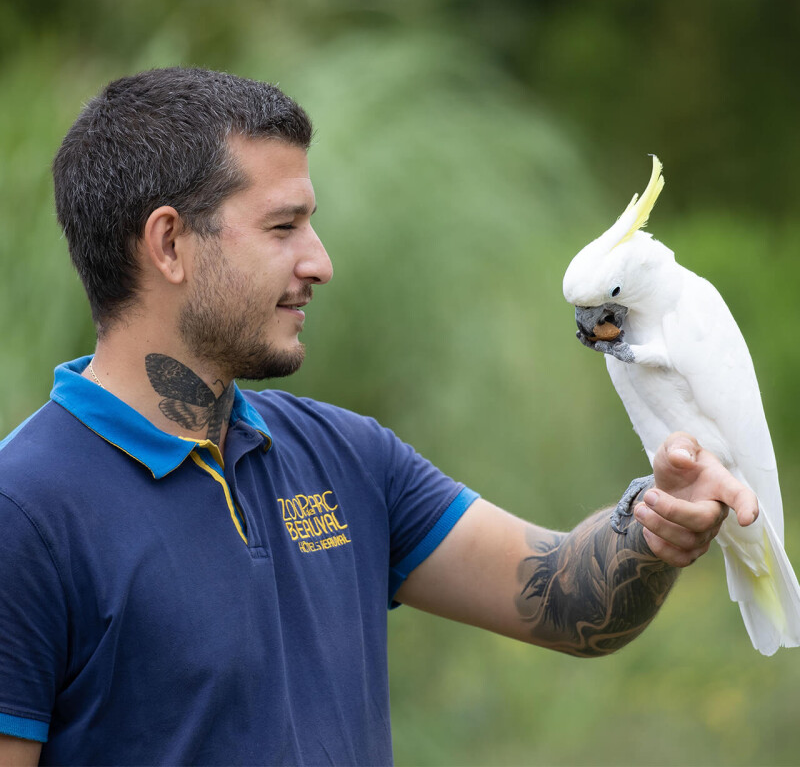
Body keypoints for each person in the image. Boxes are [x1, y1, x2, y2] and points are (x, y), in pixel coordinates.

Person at [0, 67, 757, 767]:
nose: (319, 261)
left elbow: (565, 598)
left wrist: (654, 521)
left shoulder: (344, 456)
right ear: (169, 243)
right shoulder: (25, 513)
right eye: (282, 226)